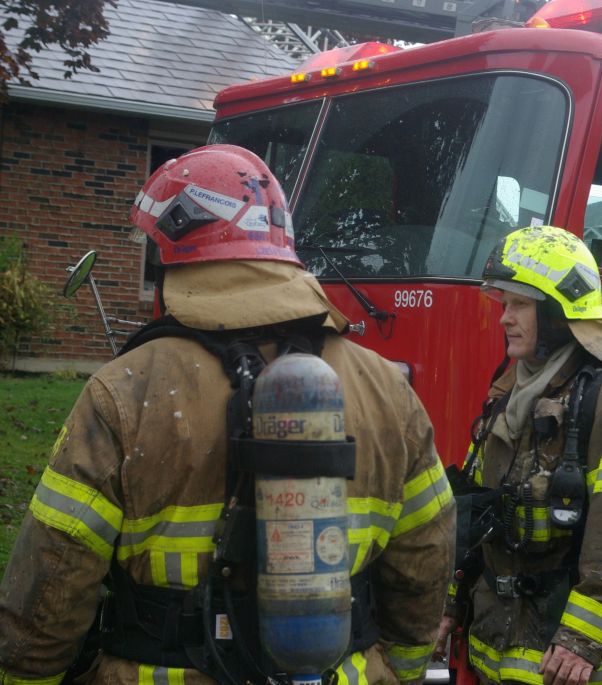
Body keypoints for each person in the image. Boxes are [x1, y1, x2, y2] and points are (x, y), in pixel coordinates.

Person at [0, 145, 455, 685]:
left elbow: (53, 578)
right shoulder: (385, 386)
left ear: (174, 246)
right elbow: (426, 553)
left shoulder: (124, 390)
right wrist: (397, 670)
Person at [437, 226, 602, 685]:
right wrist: (450, 601)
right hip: (496, 655)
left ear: (557, 311)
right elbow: (478, 512)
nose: (505, 318)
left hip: (571, 669)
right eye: (504, 304)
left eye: (519, 305)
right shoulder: (508, 398)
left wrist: (582, 638)